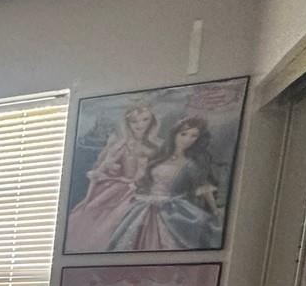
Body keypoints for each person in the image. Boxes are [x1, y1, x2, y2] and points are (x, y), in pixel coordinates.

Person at [106, 117, 222, 251]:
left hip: (172, 208)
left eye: (193, 136)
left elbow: (202, 186)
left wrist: (214, 209)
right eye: (183, 134)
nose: (187, 139)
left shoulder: (192, 164)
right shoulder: (159, 156)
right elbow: (143, 178)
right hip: (145, 205)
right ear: (175, 134)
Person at [64, 104, 157, 251]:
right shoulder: (120, 144)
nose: (140, 125)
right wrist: (108, 167)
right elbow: (102, 167)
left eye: (145, 120)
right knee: (100, 217)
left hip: (144, 190)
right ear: (127, 123)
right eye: (134, 121)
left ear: (151, 121)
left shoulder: (156, 146)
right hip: (120, 187)